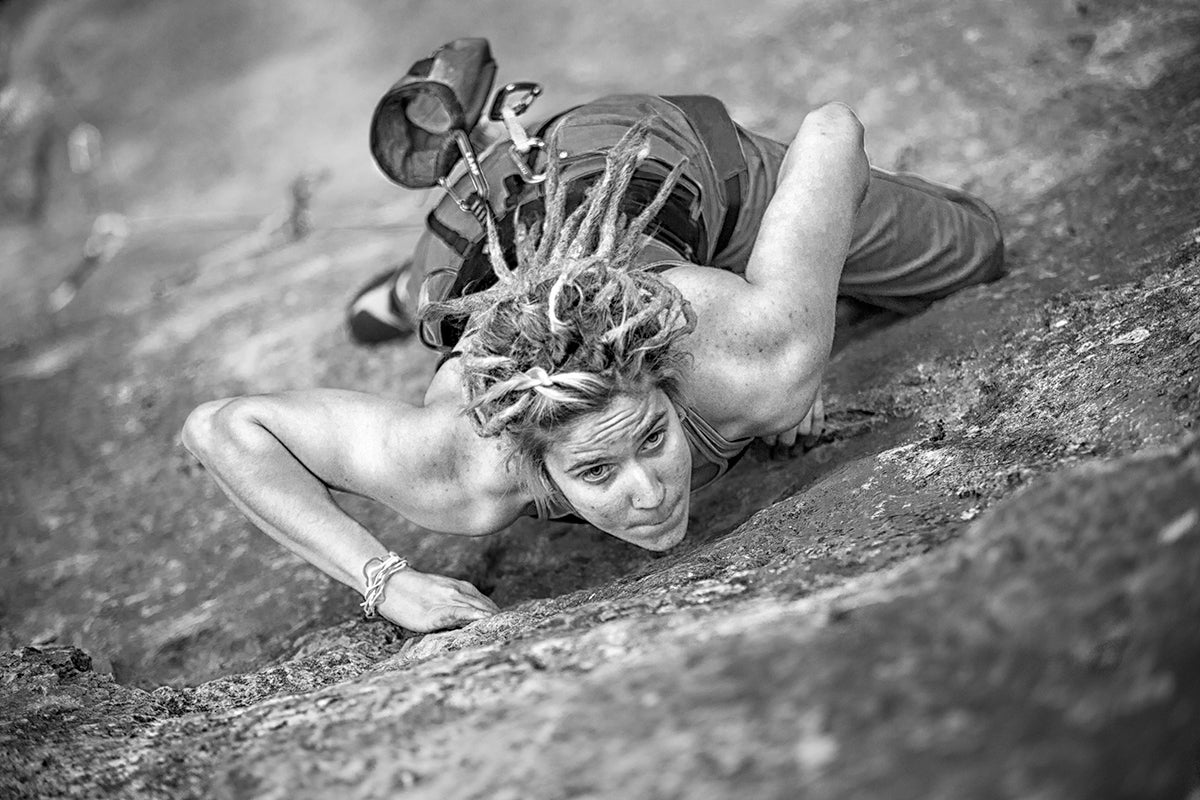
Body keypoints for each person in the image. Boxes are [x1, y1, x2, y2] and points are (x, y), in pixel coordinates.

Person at [182, 54, 1004, 635]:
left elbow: (831, 132)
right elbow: (222, 429)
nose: (647, 493)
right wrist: (384, 582)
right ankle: (410, 293)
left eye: (652, 437)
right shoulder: (465, 473)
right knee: (456, 285)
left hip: (641, 158)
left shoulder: (758, 356)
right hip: (479, 233)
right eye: (597, 472)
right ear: (529, 466)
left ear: (671, 387)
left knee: (975, 250)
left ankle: (414, 290)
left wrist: (800, 308)